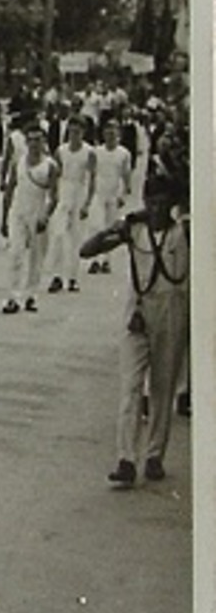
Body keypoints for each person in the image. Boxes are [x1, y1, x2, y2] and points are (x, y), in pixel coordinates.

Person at [80, 169, 189, 487]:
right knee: (130, 387)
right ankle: (126, 458)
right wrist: (121, 225)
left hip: (172, 311)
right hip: (138, 313)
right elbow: (87, 250)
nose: (156, 209)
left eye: (162, 203)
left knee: (162, 387)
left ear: (172, 204)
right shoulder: (133, 230)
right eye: (150, 203)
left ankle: (154, 455)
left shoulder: (184, 233)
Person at [1, 123, 58, 314]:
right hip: (18, 211)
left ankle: (31, 295)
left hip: (38, 211)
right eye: (31, 140)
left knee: (36, 256)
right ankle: (13, 297)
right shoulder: (18, 163)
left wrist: (46, 216)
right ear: (25, 142)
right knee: (15, 254)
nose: (34, 144)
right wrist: (3, 218)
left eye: (38, 140)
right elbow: (9, 191)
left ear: (44, 142)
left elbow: (54, 196)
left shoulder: (50, 165)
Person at [47, 116, 97, 294]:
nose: (74, 135)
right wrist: (53, 197)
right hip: (64, 191)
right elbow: (54, 175)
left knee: (75, 237)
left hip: (79, 192)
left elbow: (92, 180)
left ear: (83, 133)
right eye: (72, 131)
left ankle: (73, 278)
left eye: (78, 132)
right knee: (58, 235)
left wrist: (87, 204)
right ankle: (56, 276)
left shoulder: (89, 152)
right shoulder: (61, 151)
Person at [88, 119, 134, 275]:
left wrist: (123, 195)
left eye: (113, 132)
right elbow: (91, 175)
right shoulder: (96, 152)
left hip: (113, 194)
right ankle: (95, 260)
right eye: (107, 132)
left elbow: (126, 176)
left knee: (109, 228)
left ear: (118, 134)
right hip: (98, 193)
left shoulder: (124, 153)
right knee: (96, 225)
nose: (110, 135)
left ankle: (106, 260)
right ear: (103, 134)